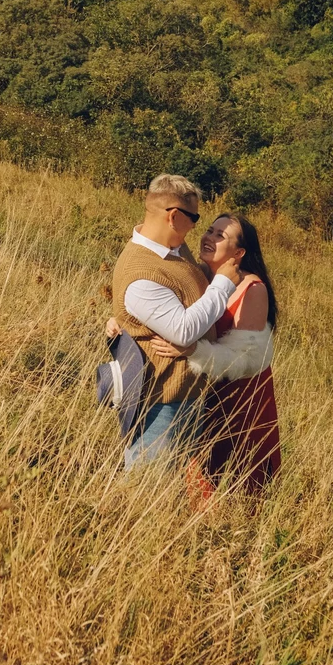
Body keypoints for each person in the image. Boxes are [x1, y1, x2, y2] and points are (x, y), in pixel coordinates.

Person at [110, 174, 243, 471]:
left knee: (170, 493)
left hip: (188, 394)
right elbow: (183, 331)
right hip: (162, 402)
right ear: (173, 216)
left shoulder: (174, 249)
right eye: (194, 217)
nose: (197, 225)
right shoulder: (141, 272)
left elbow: (183, 290)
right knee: (145, 491)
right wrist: (223, 284)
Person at [148, 213, 281, 494]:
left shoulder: (252, 289)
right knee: (193, 470)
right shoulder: (196, 274)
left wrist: (192, 350)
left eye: (221, 236)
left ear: (239, 252)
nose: (209, 237)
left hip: (240, 397)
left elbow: (243, 359)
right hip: (200, 390)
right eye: (209, 230)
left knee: (235, 475)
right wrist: (123, 322)